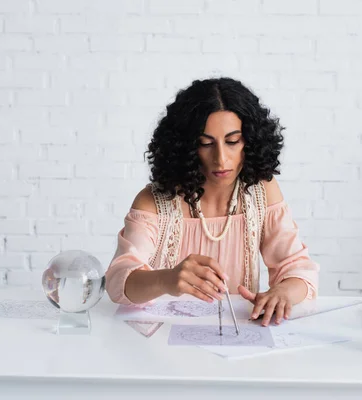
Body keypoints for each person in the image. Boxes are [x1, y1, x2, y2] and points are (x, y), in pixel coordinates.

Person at [105, 77, 319, 327]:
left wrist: (282, 293)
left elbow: (298, 269)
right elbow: (118, 282)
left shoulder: (262, 191)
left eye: (232, 142)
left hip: (239, 336)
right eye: (205, 143)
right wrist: (167, 280)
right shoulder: (154, 202)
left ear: (249, 141)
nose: (221, 158)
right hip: (161, 341)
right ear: (185, 147)